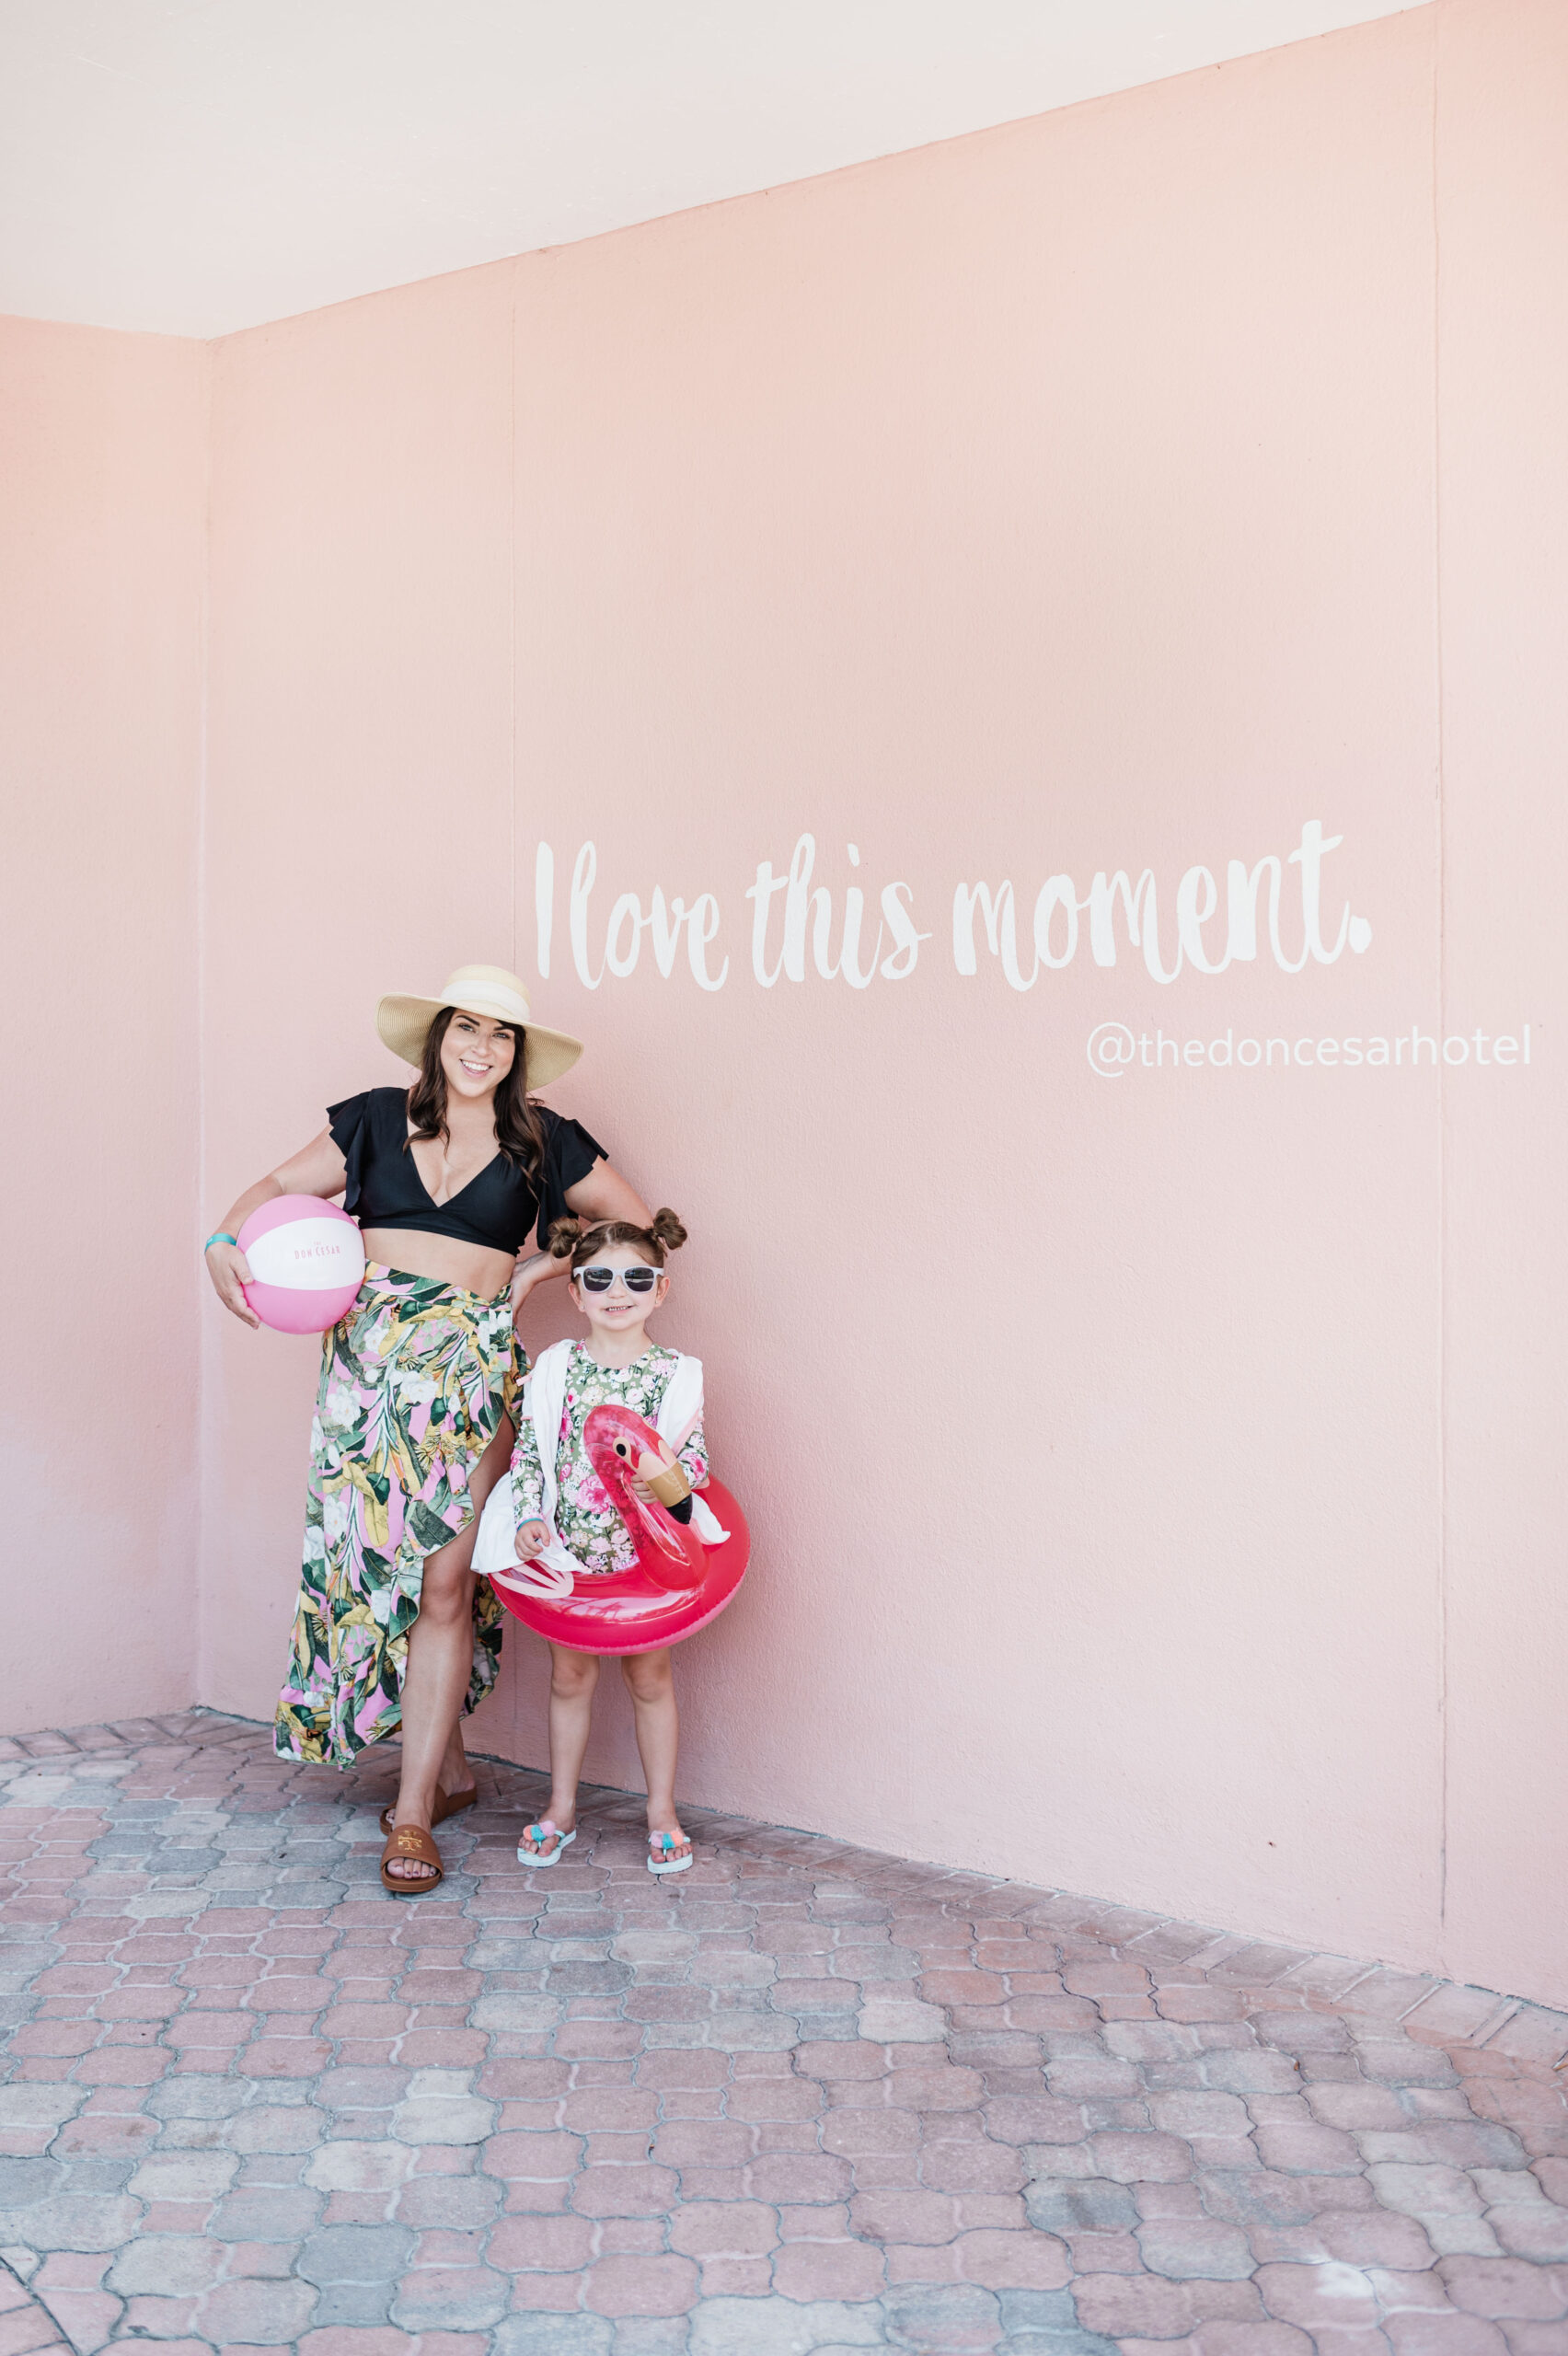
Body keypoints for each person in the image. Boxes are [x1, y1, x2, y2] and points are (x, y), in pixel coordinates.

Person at [202, 964, 651, 1893]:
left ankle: (411, 1817)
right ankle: (445, 1772)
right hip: (368, 1373)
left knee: (445, 1580)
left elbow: (635, 1222)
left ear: (517, 1054)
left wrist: (535, 1273)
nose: (482, 1048)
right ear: (438, 1035)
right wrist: (221, 1241)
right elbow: (269, 1189)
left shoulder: (544, 1140)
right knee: (370, 1568)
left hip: (475, 1370)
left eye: (502, 1035)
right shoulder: (370, 1119)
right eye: (467, 1028)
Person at [476, 1208, 707, 1877]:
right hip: (570, 1556)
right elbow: (529, 1457)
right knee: (569, 1677)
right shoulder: (559, 1367)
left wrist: (660, 1485)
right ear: (574, 1291)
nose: (618, 1292)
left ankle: (661, 1811)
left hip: (642, 1558)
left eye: (637, 1278)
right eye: (598, 1278)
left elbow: (695, 1465)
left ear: (660, 1289)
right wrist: (526, 1521)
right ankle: (561, 1808)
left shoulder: (675, 1373)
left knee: (650, 1677)